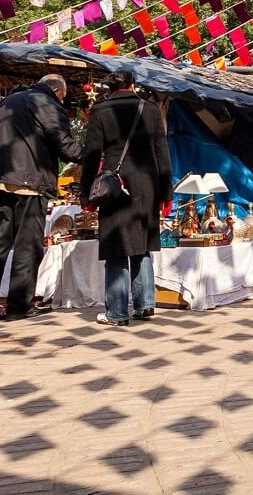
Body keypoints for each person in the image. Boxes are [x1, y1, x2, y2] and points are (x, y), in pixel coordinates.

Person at [0, 74, 83, 326]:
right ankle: (19, 306)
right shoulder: (48, 104)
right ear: (57, 91)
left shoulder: (6, 102)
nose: (63, 100)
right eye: (63, 96)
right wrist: (90, 155)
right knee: (27, 245)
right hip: (29, 183)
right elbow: (62, 143)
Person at [80, 71, 172, 327]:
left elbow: (91, 154)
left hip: (114, 184)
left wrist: (85, 192)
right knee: (142, 243)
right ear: (132, 85)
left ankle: (117, 312)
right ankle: (145, 304)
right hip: (147, 182)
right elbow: (162, 152)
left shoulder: (100, 110)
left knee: (116, 245)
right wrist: (167, 192)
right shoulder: (150, 108)